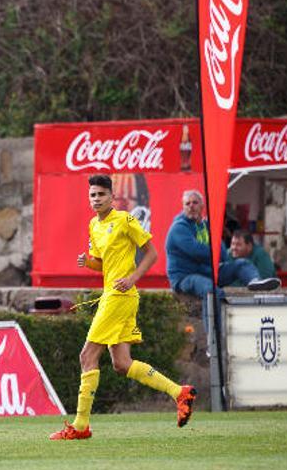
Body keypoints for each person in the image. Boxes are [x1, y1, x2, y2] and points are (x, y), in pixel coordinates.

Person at [49, 175, 196, 442]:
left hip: (120, 295)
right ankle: (180, 392)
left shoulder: (126, 220)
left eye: (101, 194)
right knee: (121, 363)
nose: (96, 199)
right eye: (92, 195)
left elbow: (152, 253)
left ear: (112, 197)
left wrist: (132, 278)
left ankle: (80, 425)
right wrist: (88, 263)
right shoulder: (94, 225)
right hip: (114, 295)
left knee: (87, 356)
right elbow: (102, 264)